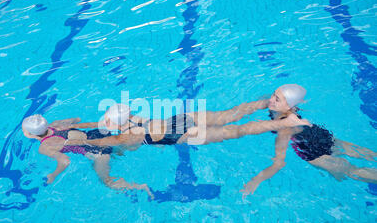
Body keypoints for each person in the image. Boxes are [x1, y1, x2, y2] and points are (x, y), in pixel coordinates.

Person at [240, 84, 377, 198]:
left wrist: (255, 181)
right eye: (273, 95)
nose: (271, 100)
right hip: (320, 134)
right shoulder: (290, 108)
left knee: (351, 171)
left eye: (277, 99)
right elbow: (263, 102)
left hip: (312, 152)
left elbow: (278, 163)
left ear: (289, 107)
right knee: (362, 153)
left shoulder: (285, 128)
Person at [66, 100, 310, 148]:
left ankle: (283, 122)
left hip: (184, 134)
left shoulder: (128, 136)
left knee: (238, 130)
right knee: (229, 114)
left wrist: (84, 139)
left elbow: (107, 140)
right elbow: (105, 124)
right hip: (185, 118)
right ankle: (266, 103)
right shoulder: (133, 118)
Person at [21, 114, 154, 199]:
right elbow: (77, 119)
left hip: (97, 152)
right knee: (121, 148)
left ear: (31, 135)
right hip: (98, 134)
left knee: (108, 182)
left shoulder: (44, 147)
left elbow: (65, 161)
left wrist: (53, 175)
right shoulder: (56, 124)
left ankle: (140, 186)